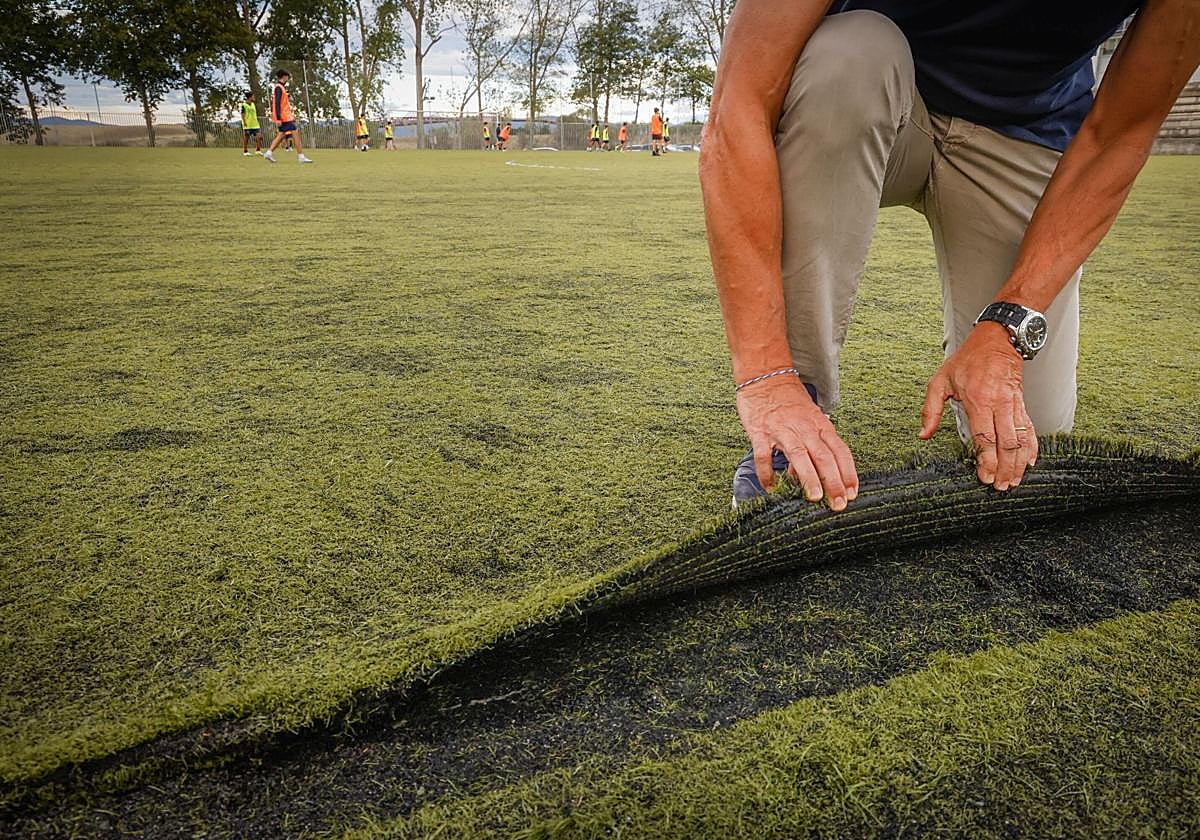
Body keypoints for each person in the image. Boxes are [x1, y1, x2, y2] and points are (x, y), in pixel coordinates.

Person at [704, 2, 1200, 510]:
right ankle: (798, 396)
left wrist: (1008, 327)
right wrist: (767, 377)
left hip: (1024, 131)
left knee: (1034, 433)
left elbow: (1119, 135)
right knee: (850, 53)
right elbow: (740, 102)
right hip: (869, 93)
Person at [263, 69, 312, 164]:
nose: (288, 79)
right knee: (295, 133)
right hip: (284, 116)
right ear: (284, 76)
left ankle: (269, 153)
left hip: (285, 116)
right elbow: (277, 103)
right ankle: (301, 156)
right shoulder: (278, 88)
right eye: (287, 77)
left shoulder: (280, 87)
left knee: (281, 135)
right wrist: (278, 118)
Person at [240, 91, 262, 156]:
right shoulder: (244, 105)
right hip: (248, 124)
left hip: (255, 124)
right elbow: (242, 114)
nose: (254, 98)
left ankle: (258, 150)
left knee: (259, 137)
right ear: (250, 97)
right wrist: (244, 122)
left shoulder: (253, 104)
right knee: (246, 138)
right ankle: (245, 151)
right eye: (253, 96)